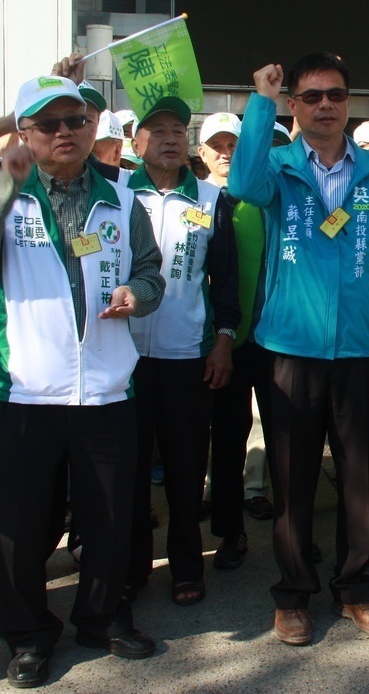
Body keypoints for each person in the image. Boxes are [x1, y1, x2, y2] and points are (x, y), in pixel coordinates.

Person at [0, 75, 165, 687]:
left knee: (110, 518)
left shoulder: (123, 200)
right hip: (22, 392)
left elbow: (150, 273)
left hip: (106, 390)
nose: (64, 133)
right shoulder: (1, 195)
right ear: (25, 135)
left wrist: (137, 294)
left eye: (75, 121)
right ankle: (27, 635)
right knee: (16, 526)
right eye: (47, 125)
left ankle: (103, 617)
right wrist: (5, 185)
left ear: (93, 127)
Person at [228, 54, 369, 646]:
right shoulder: (279, 166)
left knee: (359, 476)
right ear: (295, 107)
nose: (325, 105)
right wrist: (259, 103)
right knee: (293, 479)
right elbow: (240, 185)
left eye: (335, 94)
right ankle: (292, 595)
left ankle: (356, 589)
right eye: (311, 97)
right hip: (289, 349)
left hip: (362, 351)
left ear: (349, 101)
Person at [124, 98, 240, 606]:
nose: (170, 138)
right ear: (136, 143)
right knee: (127, 470)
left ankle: (188, 566)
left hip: (187, 355)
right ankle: (132, 566)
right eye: (157, 130)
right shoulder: (114, 194)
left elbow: (224, 280)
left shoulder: (213, 199)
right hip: (122, 358)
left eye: (178, 130)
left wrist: (222, 340)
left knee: (187, 468)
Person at [197, 110, 278, 570]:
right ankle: (231, 532)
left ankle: (293, 531)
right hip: (221, 342)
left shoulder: (271, 198)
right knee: (227, 440)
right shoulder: (202, 201)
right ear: (203, 153)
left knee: (285, 441)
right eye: (219, 145)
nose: (228, 154)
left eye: (237, 146)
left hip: (274, 340)